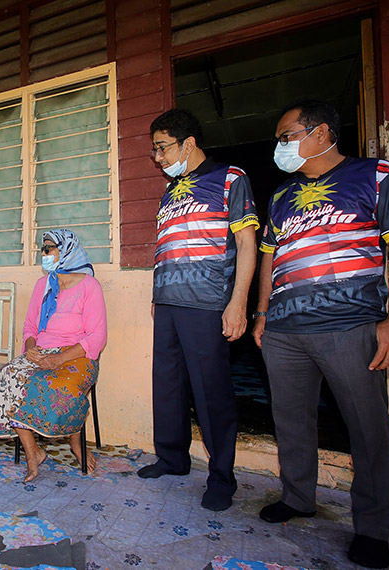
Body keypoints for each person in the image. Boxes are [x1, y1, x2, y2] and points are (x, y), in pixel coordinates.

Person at [253, 99, 389, 569]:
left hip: (350, 326)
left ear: (322, 133)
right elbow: (270, 256)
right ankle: (298, 497)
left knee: (367, 428)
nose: (280, 145)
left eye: (287, 135)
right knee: (291, 421)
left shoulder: (378, 176)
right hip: (285, 329)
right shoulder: (282, 196)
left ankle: (372, 528)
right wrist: (262, 314)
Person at [137, 109, 259, 512]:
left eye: (161, 147)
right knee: (167, 386)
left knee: (212, 392)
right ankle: (172, 459)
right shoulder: (171, 191)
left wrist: (238, 302)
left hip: (206, 302)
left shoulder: (229, 178)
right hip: (169, 304)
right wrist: (157, 296)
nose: (156, 156)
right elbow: (166, 247)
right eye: (154, 149)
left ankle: (222, 477)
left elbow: (246, 245)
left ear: (188, 143)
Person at [0, 229, 107, 482]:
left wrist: (59, 359)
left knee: (59, 386)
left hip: (77, 355)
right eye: (42, 250)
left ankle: (76, 444)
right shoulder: (42, 285)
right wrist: (31, 347)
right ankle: (33, 452)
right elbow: (30, 328)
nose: (43, 254)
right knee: (6, 377)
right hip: (42, 351)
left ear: (66, 250)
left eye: (48, 249)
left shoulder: (89, 286)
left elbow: (96, 338)